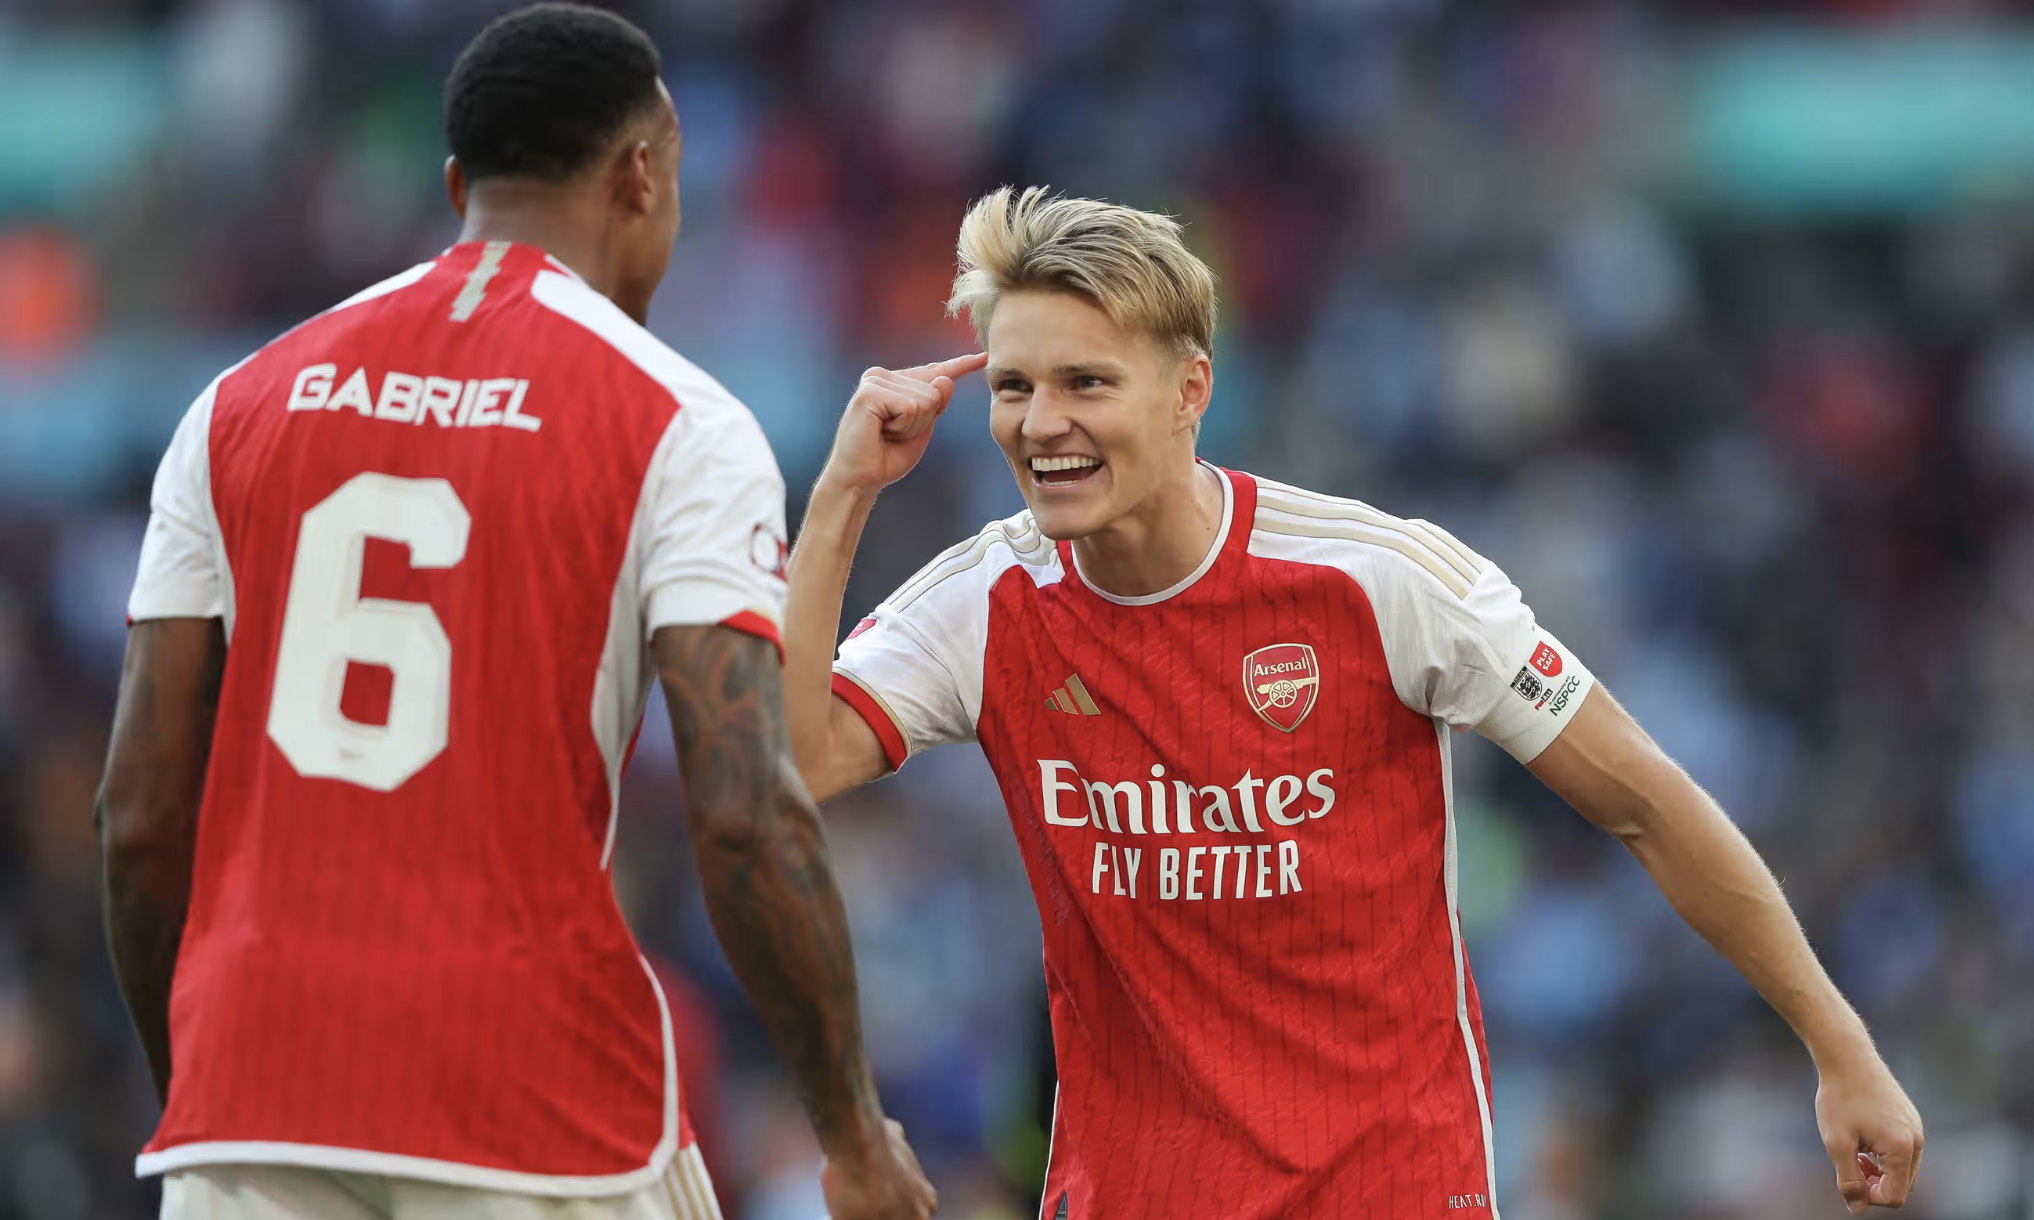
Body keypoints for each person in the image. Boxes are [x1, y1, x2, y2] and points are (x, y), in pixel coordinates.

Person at [783, 187, 1925, 1219]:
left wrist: (1841, 1047)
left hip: (1391, 1186)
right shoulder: (990, 598)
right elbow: (791, 765)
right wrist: (841, 495)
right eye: (1015, 386)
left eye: (1087, 382)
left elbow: (1649, 803)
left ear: (1190, 391)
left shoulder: (1378, 579)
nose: (1041, 423)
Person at [94, 6, 932, 1218]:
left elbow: (138, 813)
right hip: (533, 1102)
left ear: (457, 187)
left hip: (251, 1098)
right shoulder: (679, 422)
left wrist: (208, 1088)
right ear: (642, 176)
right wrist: (851, 1132)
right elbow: (745, 813)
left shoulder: (236, 404)